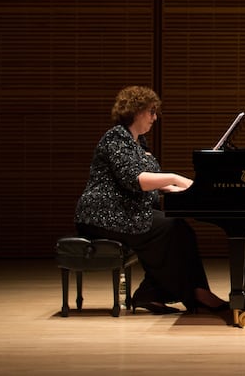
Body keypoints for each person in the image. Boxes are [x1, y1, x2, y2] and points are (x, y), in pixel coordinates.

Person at [74, 86, 228, 315]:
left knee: (180, 230)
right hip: (102, 214)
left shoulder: (138, 143)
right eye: (151, 112)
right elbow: (136, 180)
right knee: (172, 229)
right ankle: (193, 294)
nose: (155, 118)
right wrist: (177, 178)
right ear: (136, 111)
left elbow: (152, 181)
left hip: (125, 212)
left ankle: (154, 293)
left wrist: (182, 189)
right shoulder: (115, 138)